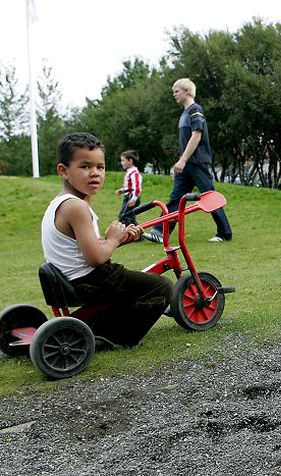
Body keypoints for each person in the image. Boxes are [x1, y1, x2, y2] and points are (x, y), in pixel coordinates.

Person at [42, 132, 173, 348]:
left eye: (100, 167)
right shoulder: (77, 207)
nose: (95, 173)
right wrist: (111, 240)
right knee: (162, 288)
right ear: (63, 171)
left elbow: (85, 250)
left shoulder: (61, 203)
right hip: (92, 281)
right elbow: (95, 259)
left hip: (75, 278)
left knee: (135, 285)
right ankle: (116, 336)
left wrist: (119, 240)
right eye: (85, 166)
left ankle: (101, 324)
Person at [144, 78, 232, 243]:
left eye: (176, 91)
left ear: (187, 91)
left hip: (197, 162)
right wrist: (180, 163)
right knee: (176, 199)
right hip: (186, 164)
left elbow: (196, 135)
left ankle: (225, 233)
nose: (174, 94)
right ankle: (160, 232)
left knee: (209, 196)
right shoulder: (184, 113)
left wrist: (183, 160)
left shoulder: (195, 110)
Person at [116, 150, 142, 225]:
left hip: (131, 197)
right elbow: (130, 187)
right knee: (128, 216)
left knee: (125, 216)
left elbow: (137, 187)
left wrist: (133, 198)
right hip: (128, 196)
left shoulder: (134, 173)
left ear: (130, 161)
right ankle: (133, 233)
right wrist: (123, 190)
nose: (121, 163)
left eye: (123, 160)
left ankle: (135, 233)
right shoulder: (130, 172)